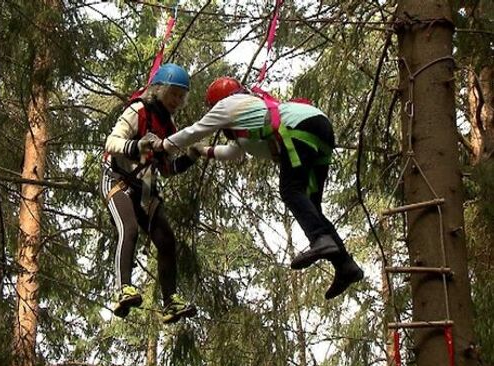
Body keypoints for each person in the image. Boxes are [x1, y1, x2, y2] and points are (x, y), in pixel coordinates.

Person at [156, 76, 364, 299]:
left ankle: (320, 240)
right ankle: (345, 266)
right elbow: (234, 153)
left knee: (290, 190)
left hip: (298, 128)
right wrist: (202, 151)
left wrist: (164, 145)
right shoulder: (248, 111)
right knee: (310, 205)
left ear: (217, 102)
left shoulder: (227, 105)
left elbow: (195, 131)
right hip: (319, 127)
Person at [101, 63, 199, 323]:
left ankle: (170, 303)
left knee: (166, 240)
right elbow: (111, 142)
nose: (177, 101)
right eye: (173, 94)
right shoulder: (138, 110)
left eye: (181, 96)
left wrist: (190, 156)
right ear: (159, 90)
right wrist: (137, 146)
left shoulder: (169, 126)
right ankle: (123, 289)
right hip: (117, 179)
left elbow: (167, 169)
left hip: (144, 186)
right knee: (129, 228)